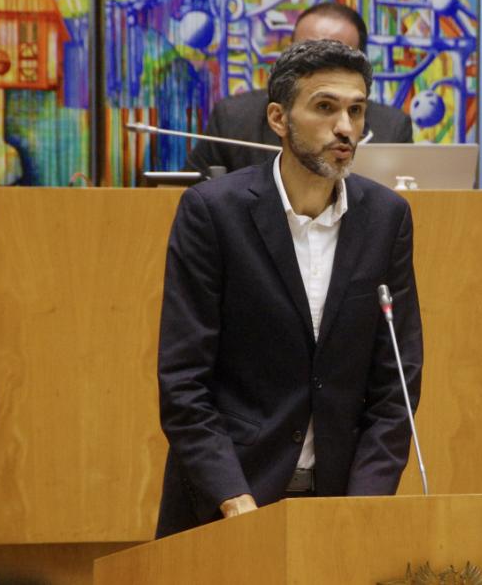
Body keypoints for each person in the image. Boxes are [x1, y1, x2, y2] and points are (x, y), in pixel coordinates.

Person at [155, 39, 424, 538]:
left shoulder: (387, 217)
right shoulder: (213, 213)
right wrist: (235, 502)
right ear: (278, 119)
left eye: (356, 110)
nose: (345, 127)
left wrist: (363, 507)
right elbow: (184, 382)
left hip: (341, 501)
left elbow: (396, 385)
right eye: (325, 107)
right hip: (230, 500)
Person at [185, 2, 414, 175]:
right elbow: (187, 191)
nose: (318, 64)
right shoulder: (234, 118)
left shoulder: (391, 128)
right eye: (306, 51)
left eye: (335, 56)